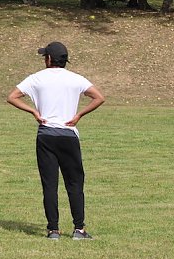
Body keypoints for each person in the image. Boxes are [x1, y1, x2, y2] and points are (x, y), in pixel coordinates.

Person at [6, 41, 105, 240]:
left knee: (49, 184)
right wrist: (78, 115)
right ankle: (79, 229)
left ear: (49, 59)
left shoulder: (37, 78)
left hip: (46, 135)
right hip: (68, 135)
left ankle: (53, 230)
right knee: (75, 183)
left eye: (45, 56)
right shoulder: (75, 79)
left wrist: (34, 111)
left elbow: (12, 97)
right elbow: (98, 97)